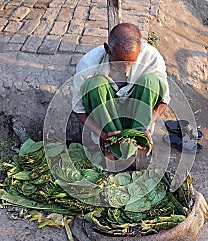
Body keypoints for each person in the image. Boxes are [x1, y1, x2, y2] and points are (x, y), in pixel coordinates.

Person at [72, 23, 170, 157]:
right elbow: (78, 109)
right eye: (119, 61)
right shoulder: (88, 65)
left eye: (131, 62)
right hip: (107, 119)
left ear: (140, 49)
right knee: (95, 84)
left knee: (150, 81)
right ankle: (113, 146)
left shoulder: (152, 58)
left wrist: (146, 125)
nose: (125, 68)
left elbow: (164, 100)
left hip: (137, 113)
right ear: (107, 49)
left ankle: (138, 140)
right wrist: (101, 133)